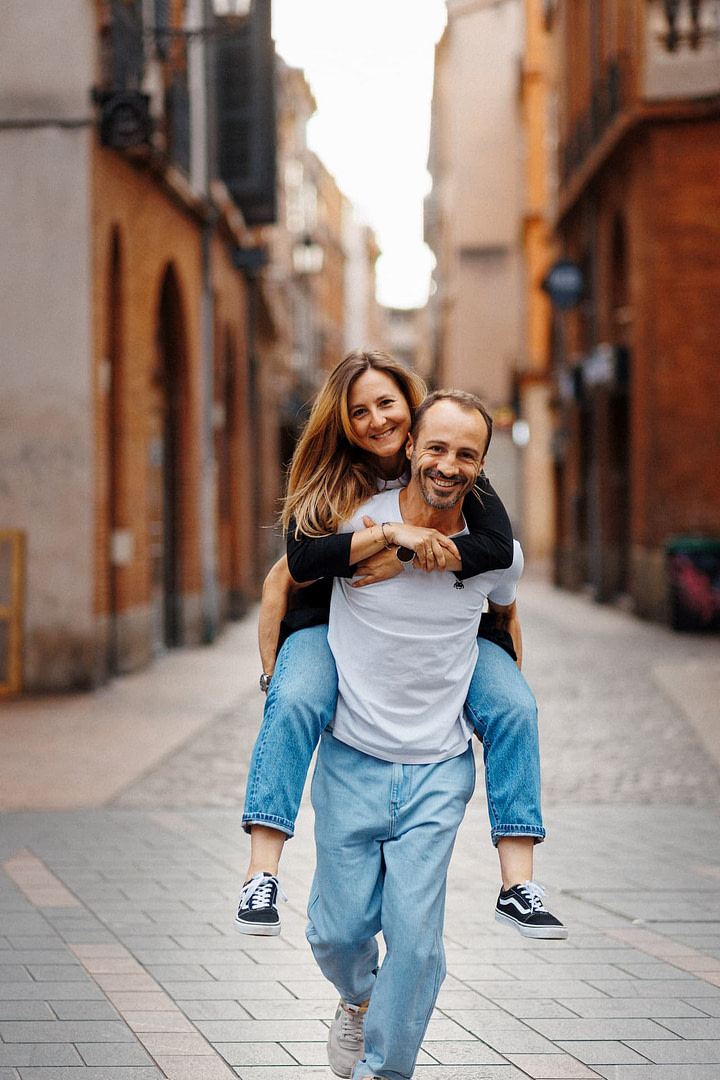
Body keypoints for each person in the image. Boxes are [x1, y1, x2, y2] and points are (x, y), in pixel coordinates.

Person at [236, 351, 563, 940]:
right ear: (343, 422)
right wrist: (388, 535)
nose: (376, 420)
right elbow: (296, 566)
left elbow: (498, 552)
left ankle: (517, 885)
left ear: (412, 414)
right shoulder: (335, 484)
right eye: (358, 411)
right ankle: (262, 873)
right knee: (295, 699)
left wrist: (408, 556)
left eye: (386, 403)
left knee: (515, 708)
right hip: (326, 623)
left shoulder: (455, 465)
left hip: (459, 634)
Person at [308, 390, 563, 1080]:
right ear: (412, 446)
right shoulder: (358, 522)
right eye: (438, 448)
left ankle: (384, 1071)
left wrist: (507, 697)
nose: (449, 465)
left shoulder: (494, 554)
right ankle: (358, 997)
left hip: (437, 770)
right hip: (351, 759)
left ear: (480, 467)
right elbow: (294, 570)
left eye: (467, 455)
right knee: (336, 933)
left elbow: (505, 618)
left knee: (417, 948)